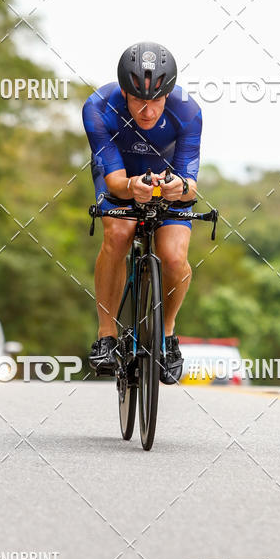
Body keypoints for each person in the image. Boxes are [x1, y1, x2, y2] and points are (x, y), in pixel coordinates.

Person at [83, 41, 202, 384]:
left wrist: (177, 188)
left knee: (173, 255)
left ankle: (166, 336)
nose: (148, 111)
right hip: (120, 175)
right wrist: (131, 186)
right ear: (124, 92)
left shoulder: (188, 111)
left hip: (168, 179)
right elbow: (115, 181)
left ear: (169, 94)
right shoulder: (99, 107)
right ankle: (106, 335)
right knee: (119, 233)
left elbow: (190, 184)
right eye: (138, 100)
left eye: (156, 101)